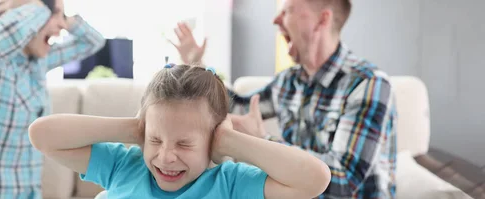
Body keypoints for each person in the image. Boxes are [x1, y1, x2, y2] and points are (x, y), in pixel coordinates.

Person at [171, 0, 397, 198]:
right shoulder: (289, 81)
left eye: (287, 11)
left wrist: (262, 141)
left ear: (322, 20)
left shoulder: (368, 84)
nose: (274, 20)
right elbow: (238, 107)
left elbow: (343, 182)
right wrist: (197, 65)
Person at [28, 64, 331, 199]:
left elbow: (316, 179)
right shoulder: (124, 166)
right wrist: (134, 128)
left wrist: (230, 142)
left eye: (185, 144)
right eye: (156, 140)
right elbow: (41, 134)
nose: (166, 156)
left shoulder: (230, 183)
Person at [0, 0, 105, 198]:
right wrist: (36, 5)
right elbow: (12, 31)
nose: (61, 25)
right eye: (54, 14)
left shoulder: (36, 62)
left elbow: (93, 41)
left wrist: (63, 16)